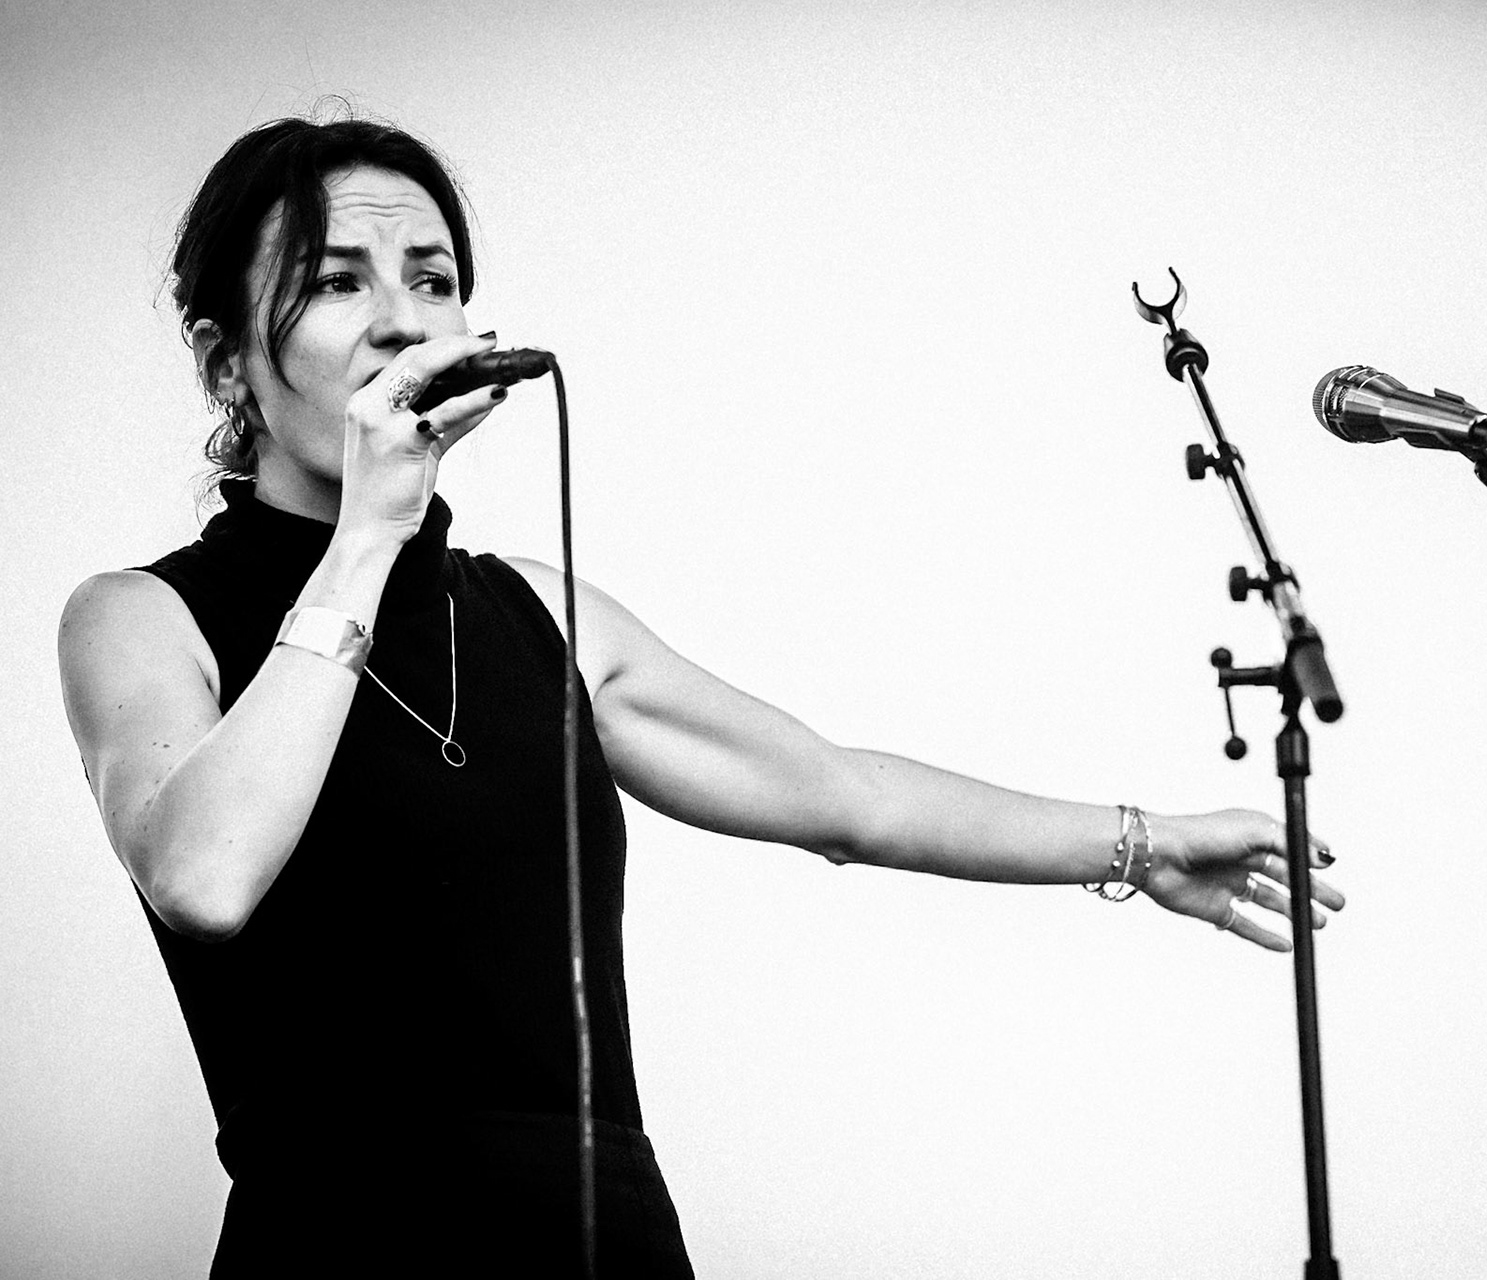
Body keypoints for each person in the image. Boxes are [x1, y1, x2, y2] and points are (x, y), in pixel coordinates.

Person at [56, 115, 1344, 1277]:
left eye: (435, 281)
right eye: (338, 284)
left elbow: (845, 796)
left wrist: (1141, 842)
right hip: (348, 1244)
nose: (403, 321)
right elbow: (206, 874)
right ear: (227, 365)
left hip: (605, 1237)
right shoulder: (145, 616)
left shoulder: (539, 615)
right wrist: (365, 544)